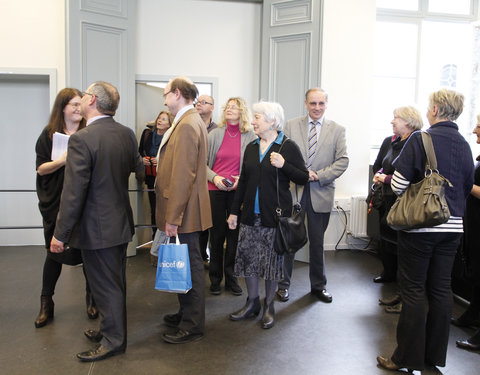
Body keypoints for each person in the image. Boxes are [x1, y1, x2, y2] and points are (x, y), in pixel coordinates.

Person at [377, 89, 474, 372]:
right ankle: (434, 357)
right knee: (442, 290)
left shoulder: (421, 139)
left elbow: (397, 186)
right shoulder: (465, 143)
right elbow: (467, 186)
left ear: (434, 109)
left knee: (414, 290)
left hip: (420, 229)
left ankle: (405, 358)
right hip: (454, 227)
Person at [50, 81, 144, 362]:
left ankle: (114, 340)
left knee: (106, 285)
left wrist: (60, 234)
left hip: (98, 227)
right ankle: (109, 328)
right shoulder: (127, 134)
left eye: (83, 97)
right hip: (120, 222)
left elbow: (73, 193)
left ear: (91, 100)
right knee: (114, 282)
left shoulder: (82, 139)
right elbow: (136, 168)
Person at [227, 101, 308, 329]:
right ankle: (252, 302)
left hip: (274, 217)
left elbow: (302, 177)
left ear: (272, 120)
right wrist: (234, 211)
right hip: (249, 217)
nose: (253, 121)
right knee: (249, 261)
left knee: (271, 264)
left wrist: (284, 166)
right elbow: (243, 181)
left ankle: (269, 306)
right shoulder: (252, 147)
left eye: (258, 117)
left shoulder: (287, 147)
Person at [277, 88, 348, 303]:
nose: (317, 108)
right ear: (306, 104)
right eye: (313, 103)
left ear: (326, 104)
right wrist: (299, 173)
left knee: (317, 244)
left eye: (321, 103)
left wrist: (319, 175)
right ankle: (283, 286)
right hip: (294, 192)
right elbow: (282, 157)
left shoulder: (337, 130)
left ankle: (318, 286)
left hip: (321, 192)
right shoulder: (290, 125)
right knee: (288, 240)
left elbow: (343, 161)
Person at [34, 88, 97, 328]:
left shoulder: (89, 132)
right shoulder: (49, 135)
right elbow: (41, 169)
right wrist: (62, 160)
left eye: (80, 104)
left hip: (84, 202)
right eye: (72, 104)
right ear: (62, 107)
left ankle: (92, 298)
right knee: (54, 252)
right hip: (55, 202)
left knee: (88, 252)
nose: (78, 108)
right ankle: (46, 302)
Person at [156, 76, 212, 344]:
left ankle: (192, 325)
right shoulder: (189, 121)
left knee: (190, 265)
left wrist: (173, 218)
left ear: (177, 93)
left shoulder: (188, 124)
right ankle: (185, 313)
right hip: (187, 209)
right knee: (186, 265)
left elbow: (182, 176)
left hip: (185, 211)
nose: (164, 99)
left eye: (166, 94)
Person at [372, 107, 423, 314]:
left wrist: (385, 178)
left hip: (405, 204)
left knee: (405, 252)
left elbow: (410, 177)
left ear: (408, 122)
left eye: (396, 118)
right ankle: (399, 293)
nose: (392, 122)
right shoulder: (395, 141)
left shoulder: (416, 142)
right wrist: (382, 174)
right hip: (388, 199)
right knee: (393, 245)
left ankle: (405, 300)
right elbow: (383, 165)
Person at [206, 97, 257, 296]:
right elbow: (202, 164)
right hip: (215, 190)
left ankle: (232, 278)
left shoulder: (251, 137)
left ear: (242, 111)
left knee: (234, 237)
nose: (230, 109)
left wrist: (240, 180)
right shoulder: (214, 134)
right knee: (216, 236)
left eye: (234, 107)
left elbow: (254, 166)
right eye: (227, 107)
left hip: (238, 192)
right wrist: (215, 177)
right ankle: (215, 278)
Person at [455, 113, 480, 351]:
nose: (474, 130)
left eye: (479, 126)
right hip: (474, 224)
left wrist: (465, 183)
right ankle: (472, 315)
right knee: (476, 276)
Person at [138, 111, 172, 237]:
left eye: (164, 119)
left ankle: (165, 237)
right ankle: (155, 238)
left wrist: (160, 161)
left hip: (165, 177)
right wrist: (143, 159)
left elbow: (172, 156)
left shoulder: (171, 136)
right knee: (154, 208)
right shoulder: (147, 134)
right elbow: (140, 151)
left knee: (165, 207)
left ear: (170, 123)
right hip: (150, 175)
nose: (160, 121)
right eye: (159, 118)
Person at [195, 94, 217, 267]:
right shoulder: (189, 126)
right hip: (191, 181)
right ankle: (199, 257)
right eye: (198, 102)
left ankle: (207, 257)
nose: (199, 104)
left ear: (212, 107)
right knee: (196, 223)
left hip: (210, 182)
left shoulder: (218, 131)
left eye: (204, 102)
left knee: (211, 223)